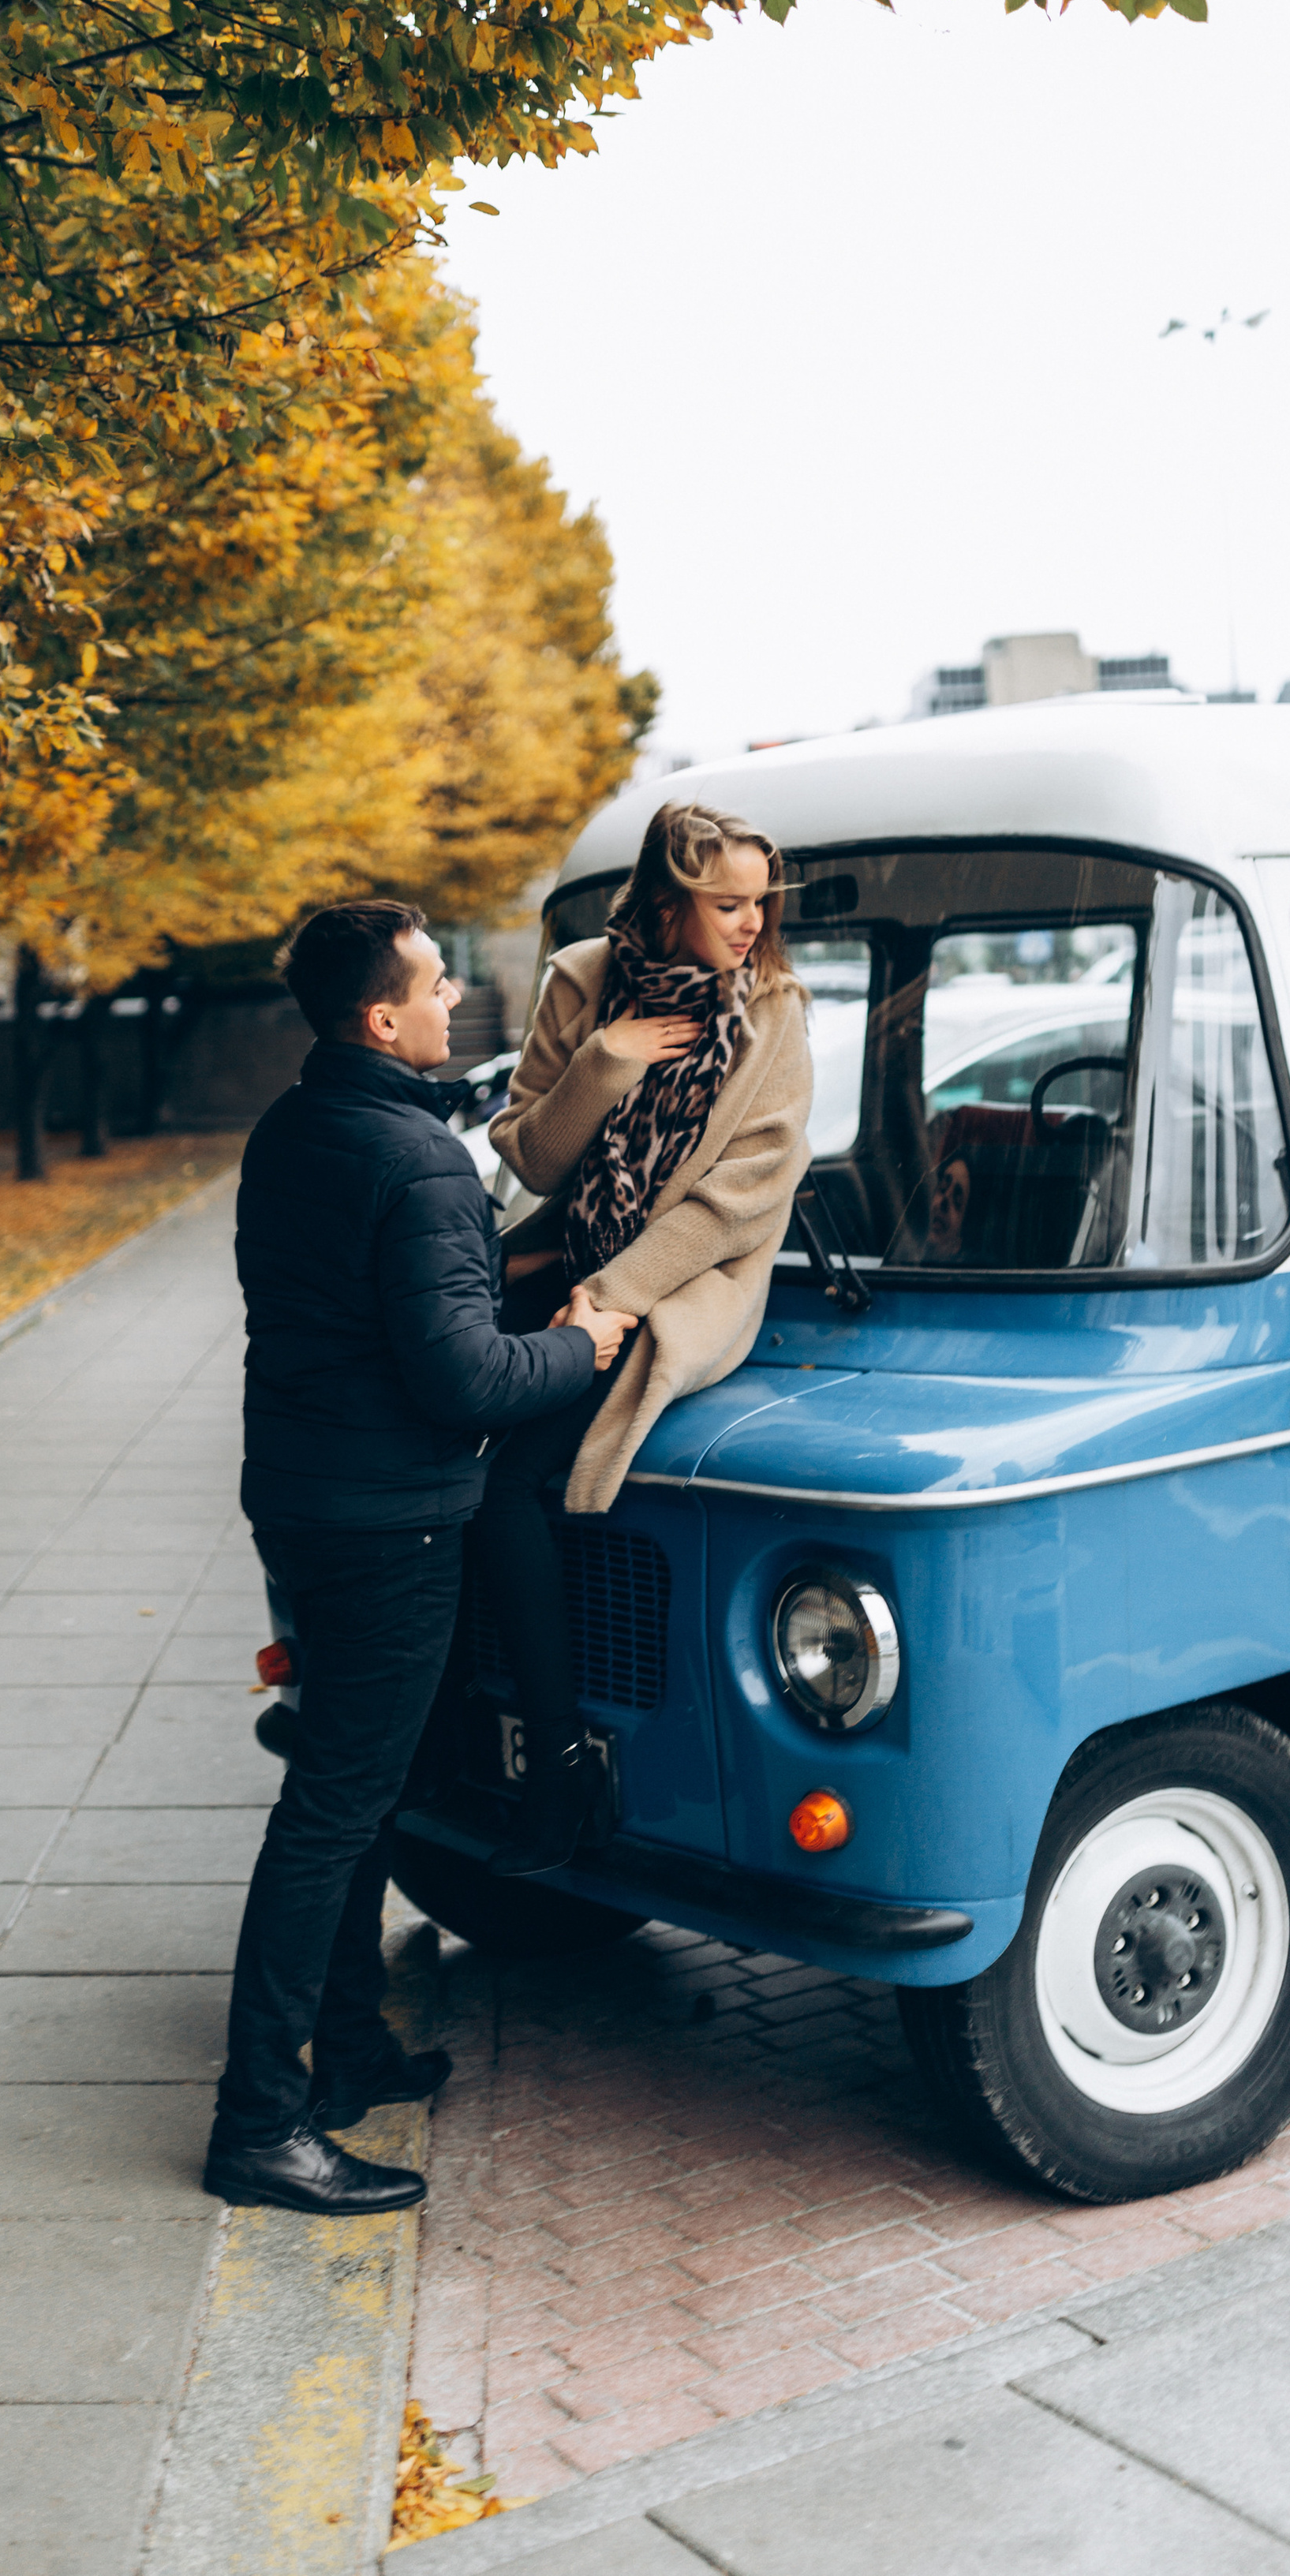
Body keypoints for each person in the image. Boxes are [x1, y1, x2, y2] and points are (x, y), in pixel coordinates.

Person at [206, 898, 633, 2218]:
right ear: (383, 1018)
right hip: (391, 1521)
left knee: (357, 1797)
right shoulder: (420, 1158)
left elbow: (359, 1312)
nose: (458, 1002)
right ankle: (260, 2122)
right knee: (334, 1812)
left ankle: (351, 2053)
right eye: (439, 986)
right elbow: (460, 1377)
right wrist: (584, 1345)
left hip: (303, 1501)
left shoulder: (293, 1129)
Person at [479, 802, 814, 1875]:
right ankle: (446, 1731)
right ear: (668, 905)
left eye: (761, 901)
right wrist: (607, 1063)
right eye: (728, 904)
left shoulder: (775, 1013)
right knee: (432, 1467)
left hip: (680, 1292)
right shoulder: (583, 980)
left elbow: (744, 1201)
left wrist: (614, 1295)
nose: (751, 923)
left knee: (512, 1488)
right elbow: (530, 1156)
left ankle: (563, 1756)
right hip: (559, 1274)